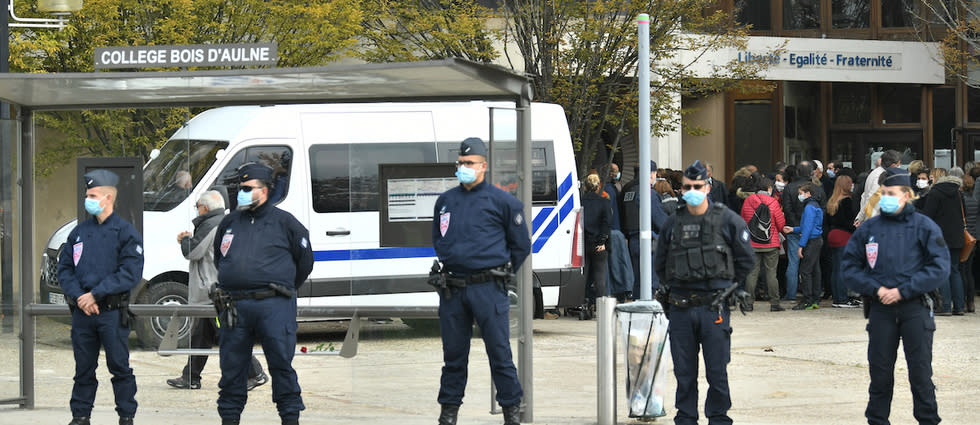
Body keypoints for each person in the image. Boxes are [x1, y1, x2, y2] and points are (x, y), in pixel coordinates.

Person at [431, 137, 529, 425]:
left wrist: (503, 273)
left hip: (488, 288)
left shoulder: (504, 202)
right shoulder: (445, 201)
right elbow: (439, 239)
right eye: (461, 163)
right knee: (453, 357)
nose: (464, 167)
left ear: (483, 166)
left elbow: (521, 246)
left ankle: (511, 411)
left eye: (470, 163)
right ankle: (448, 413)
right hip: (453, 290)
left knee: (500, 354)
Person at [841, 167, 948, 425]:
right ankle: (877, 420)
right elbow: (849, 267)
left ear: (907, 195)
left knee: (921, 374)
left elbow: (939, 267)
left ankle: (928, 420)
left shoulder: (924, 226)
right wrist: (875, 289)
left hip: (915, 308)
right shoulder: (869, 229)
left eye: (891, 193)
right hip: (880, 310)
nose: (885, 197)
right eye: (883, 193)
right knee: (880, 375)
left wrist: (904, 290)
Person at [212, 162, 314, 425]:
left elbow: (304, 263)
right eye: (240, 188)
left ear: (265, 190)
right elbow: (219, 259)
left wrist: (282, 288)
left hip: (274, 305)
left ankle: (290, 418)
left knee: (281, 365)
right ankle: (230, 419)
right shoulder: (230, 222)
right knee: (233, 370)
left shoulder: (286, 223)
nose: (241, 193)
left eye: (247, 188)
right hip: (235, 307)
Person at [655, 160, 755, 425]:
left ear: (707, 187)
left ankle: (719, 419)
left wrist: (728, 285)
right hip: (681, 309)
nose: (692, 190)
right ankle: (686, 419)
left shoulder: (727, 220)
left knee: (717, 373)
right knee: (684, 374)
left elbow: (746, 260)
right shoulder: (672, 223)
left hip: (714, 309)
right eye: (687, 186)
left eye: (697, 185)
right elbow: (661, 264)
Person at [57, 170, 144, 425]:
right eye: (87, 195)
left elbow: (130, 273)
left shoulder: (125, 232)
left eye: (92, 195)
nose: (88, 199)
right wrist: (80, 297)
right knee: (83, 369)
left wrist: (96, 294)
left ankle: (126, 416)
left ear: (108, 198)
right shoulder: (78, 233)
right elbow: (65, 269)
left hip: (111, 313)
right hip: (83, 313)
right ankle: (80, 415)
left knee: (119, 367)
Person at [165, 190, 268, 391]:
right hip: (215, 291)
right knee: (200, 338)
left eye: (197, 206)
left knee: (229, 335)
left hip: (211, 293)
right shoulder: (227, 221)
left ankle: (255, 373)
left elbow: (193, 252)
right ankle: (190, 377)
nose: (196, 210)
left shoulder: (209, 225)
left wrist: (185, 239)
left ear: (205, 208)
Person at [919, 172, 966, 315]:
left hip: (940, 237)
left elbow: (928, 215)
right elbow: (965, 212)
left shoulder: (935, 193)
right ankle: (959, 307)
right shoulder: (958, 193)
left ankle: (945, 306)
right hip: (957, 236)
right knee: (955, 270)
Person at [620, 161, 668, 299]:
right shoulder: (650, 194)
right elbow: (661, 221)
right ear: (653, 174)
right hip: (649, 241)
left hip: (633, 239)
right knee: (651, 281)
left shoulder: (627, 189)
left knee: (638, 280)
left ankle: (637, 310)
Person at [740, 174, 786, 311]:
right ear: (768, 188)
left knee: (752, 273)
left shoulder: (748, 201)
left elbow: (743, 220)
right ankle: (775, 303)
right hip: (771, 243)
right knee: (771, 273)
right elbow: (781, 224)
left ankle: (748, 304)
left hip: (752, 243)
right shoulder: (773, 202)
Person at [784, 182, 824, 310]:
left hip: (811, 241)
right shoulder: (815, 205)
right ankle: (815, 299)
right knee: (815, 270)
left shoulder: (809, 208)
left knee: (805, 271)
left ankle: (807, 299)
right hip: (817, 239)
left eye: (801, 194)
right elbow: (810, 226)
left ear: (808, 194)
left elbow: (807, 228)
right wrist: (794, 229)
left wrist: (801, 245)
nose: (799, 197)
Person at [825, 175, 860, 308]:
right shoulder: (846, 201)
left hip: (832, 235)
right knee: (843, 268)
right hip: (843, 236)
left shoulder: (832, 201)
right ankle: (842, 299)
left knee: (835, 269)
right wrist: (855, 226)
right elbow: (846, 221)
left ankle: (837, 297)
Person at [581, 173, 611, 314]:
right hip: (598, 244)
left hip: (583, 243)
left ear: (586, 186)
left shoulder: (580, 202)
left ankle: (584, 304)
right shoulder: (604, 202)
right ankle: (601, 307)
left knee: (584, 276)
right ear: (598, 186)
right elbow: (606, 223)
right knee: (600, 277)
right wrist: (602, 240)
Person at [857, 150, 901, 226]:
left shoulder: (875, 172)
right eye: (898, 165)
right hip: (875, 221)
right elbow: (871, 198)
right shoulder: (881, 176)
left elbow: (864, 196)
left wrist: (860, 217)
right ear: (893, 165)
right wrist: (861, 218)